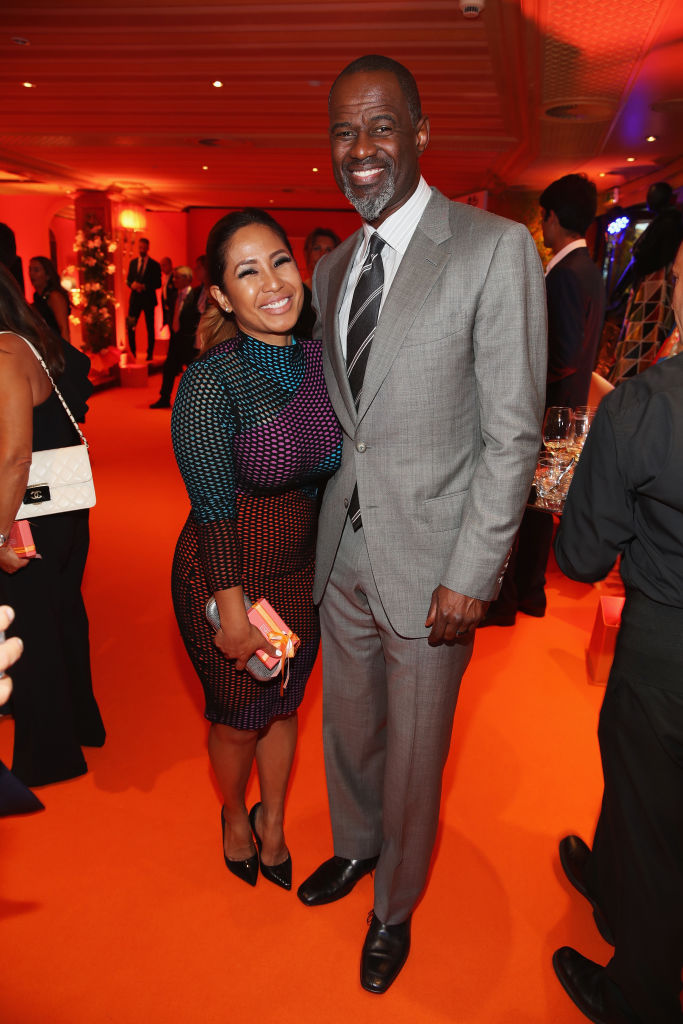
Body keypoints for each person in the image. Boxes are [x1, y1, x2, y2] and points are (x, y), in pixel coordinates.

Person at [295, 54, 547, 993]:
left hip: (437, 565)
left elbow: (511, 432)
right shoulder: (327, 268)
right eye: (342, 133)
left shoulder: (490, 248)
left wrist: (473, 574)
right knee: (349, 730)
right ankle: (357, 847)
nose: (359, 152)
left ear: (420, 133)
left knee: (414, 753)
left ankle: (393, 906)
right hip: (345, 551)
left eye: (379, 128)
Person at [170, 208, 342, 890]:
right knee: (240, 718)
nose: (271, 283)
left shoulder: (319, 360)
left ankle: (274, 820)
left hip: (299, 577)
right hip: (224, 579)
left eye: (279, 261)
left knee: (285, 705)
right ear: (220, 296)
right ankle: (234, 815)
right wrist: (233, 613)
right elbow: (213, 512)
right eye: (246, 272)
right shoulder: (211, 382)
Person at [551, 240, 683, 1024]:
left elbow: (580, 554)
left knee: (650, 809)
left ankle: (639, 992)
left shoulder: (643, 405)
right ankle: (608, 878)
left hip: (666, 645)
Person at [484, 173, 606, 625]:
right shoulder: (588, 270)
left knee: (527, 508)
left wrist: (518, 382)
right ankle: (528, 595)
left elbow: (562, 353)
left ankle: (514, 598)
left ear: (552, 218)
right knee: (537, 509)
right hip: (564, 410)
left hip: (548, 412)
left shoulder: (567, 275)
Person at [0, 265, 105, 787]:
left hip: (28, 510)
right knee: (62, 612)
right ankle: (82, 722)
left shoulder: (4, 351)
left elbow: (16, 457)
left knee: (31, 625)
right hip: (62, 507)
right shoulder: (28, 339)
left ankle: (50, 756)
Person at [609, 181, 683, 385]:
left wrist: (618, 291)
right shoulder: (667, 222)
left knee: (643, 347)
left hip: (654, 295)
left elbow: (639, 260)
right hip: (652, 293)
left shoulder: (668, 223)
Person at [149, 266, 200, 409]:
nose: (174, 280)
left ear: (187, 279)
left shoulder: (195, 296)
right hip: (175, 339)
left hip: (189, 340)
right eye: (174, 277)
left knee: (193, 373)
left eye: (178, 277)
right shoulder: (174, 296)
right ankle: (164, 398)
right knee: (169, 369)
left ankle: (196, 403)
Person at [295, 228, 342, 338]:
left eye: (329, 249)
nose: (322, 254)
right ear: (307, 253)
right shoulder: (296, 293)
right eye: (317, 248)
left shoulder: (342, 295)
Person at [126, 237, 161, 360]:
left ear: (147, 248)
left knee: (150, 327)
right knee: (130, 325)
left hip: (148, 300)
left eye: (144, 248)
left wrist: (144, 286)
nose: (142, 250)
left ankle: (150, 353)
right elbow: (128, 279)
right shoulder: (133, 263)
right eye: (140, 247)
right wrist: (132, 285)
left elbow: (158, 283)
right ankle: (133, 352)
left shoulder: (154, 265)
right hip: (135, 299)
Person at [29, 255, 72, 342]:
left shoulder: (54, 296)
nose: (31, 274)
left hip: (56, 345)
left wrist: (67, 353)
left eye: (36, 270)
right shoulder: (37, 297)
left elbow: (64, 328)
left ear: (47, 275)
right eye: (30, 269)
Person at [159, 255, 177, 334]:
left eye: (164, 265)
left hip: (173, 308)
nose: (162, 268)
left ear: (170, 265)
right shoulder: (166, 278)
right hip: (167, 308)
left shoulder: (174, 277)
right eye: (161, 266)